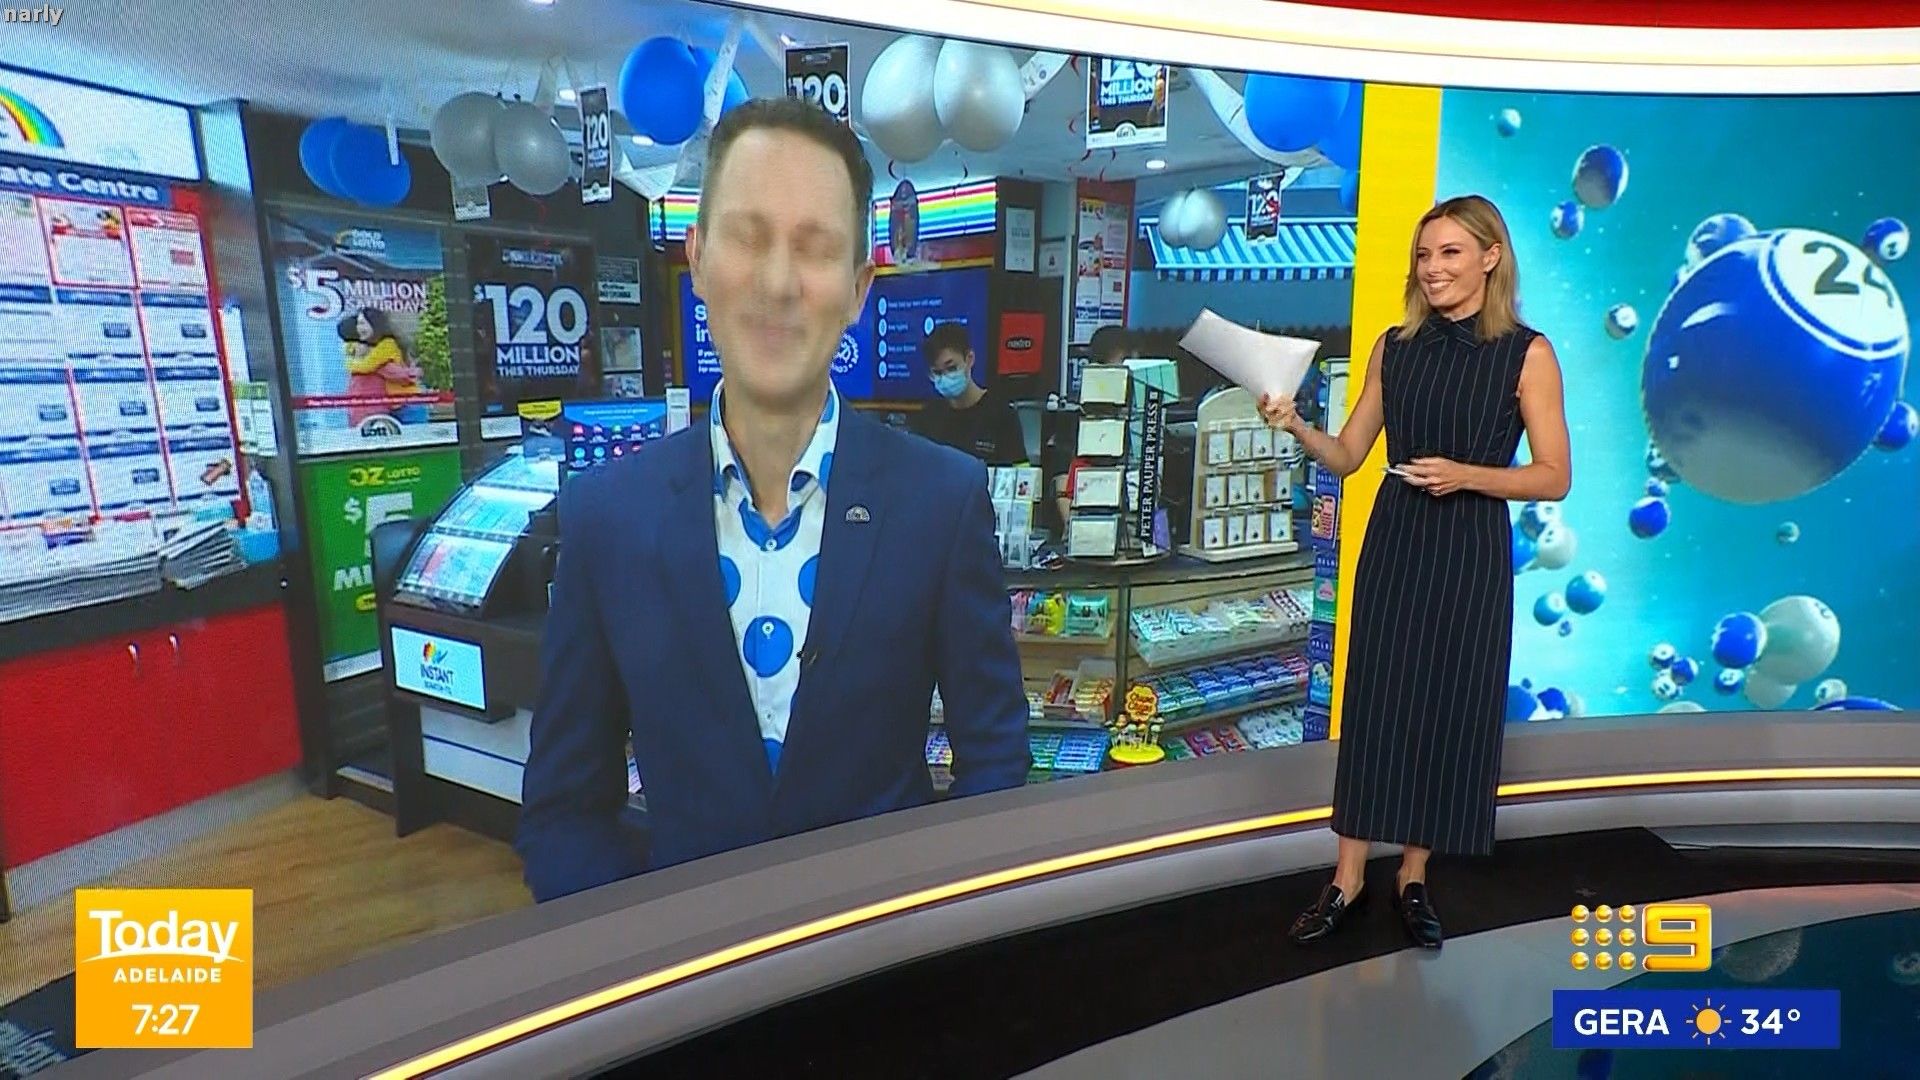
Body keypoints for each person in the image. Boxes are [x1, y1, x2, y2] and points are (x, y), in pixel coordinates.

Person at [516, 97, 1032, 903]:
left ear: (858, 288)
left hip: (890, 961)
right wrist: (647, 952)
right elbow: (564, 812)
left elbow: (994, 768)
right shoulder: (607, 516)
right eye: (748, 237)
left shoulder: (942, 502)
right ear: (697, 258)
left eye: (816, 248)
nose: (779, 282)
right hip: (687, 964)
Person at [1260, 195, 1571, 950]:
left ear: (1491, 257)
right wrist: (1296, 424)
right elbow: (1347, 456)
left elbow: (1554, 476)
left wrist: (1466, 475)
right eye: (1424, 255)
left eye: (1450, 253)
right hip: (1397, 539)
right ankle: (1346, 877)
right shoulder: (1393, 348)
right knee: (1378, 701)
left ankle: (1413, 875)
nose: (1432, 268)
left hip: (1470, 548)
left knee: (1446, 705)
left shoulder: (1528, 354)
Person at [911, 321, 1028, 465]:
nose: (946, 378)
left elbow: (1022, 473)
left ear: (969, 359)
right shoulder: (928, 418)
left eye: (951, 368)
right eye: (937, 372)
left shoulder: (1002, 416)